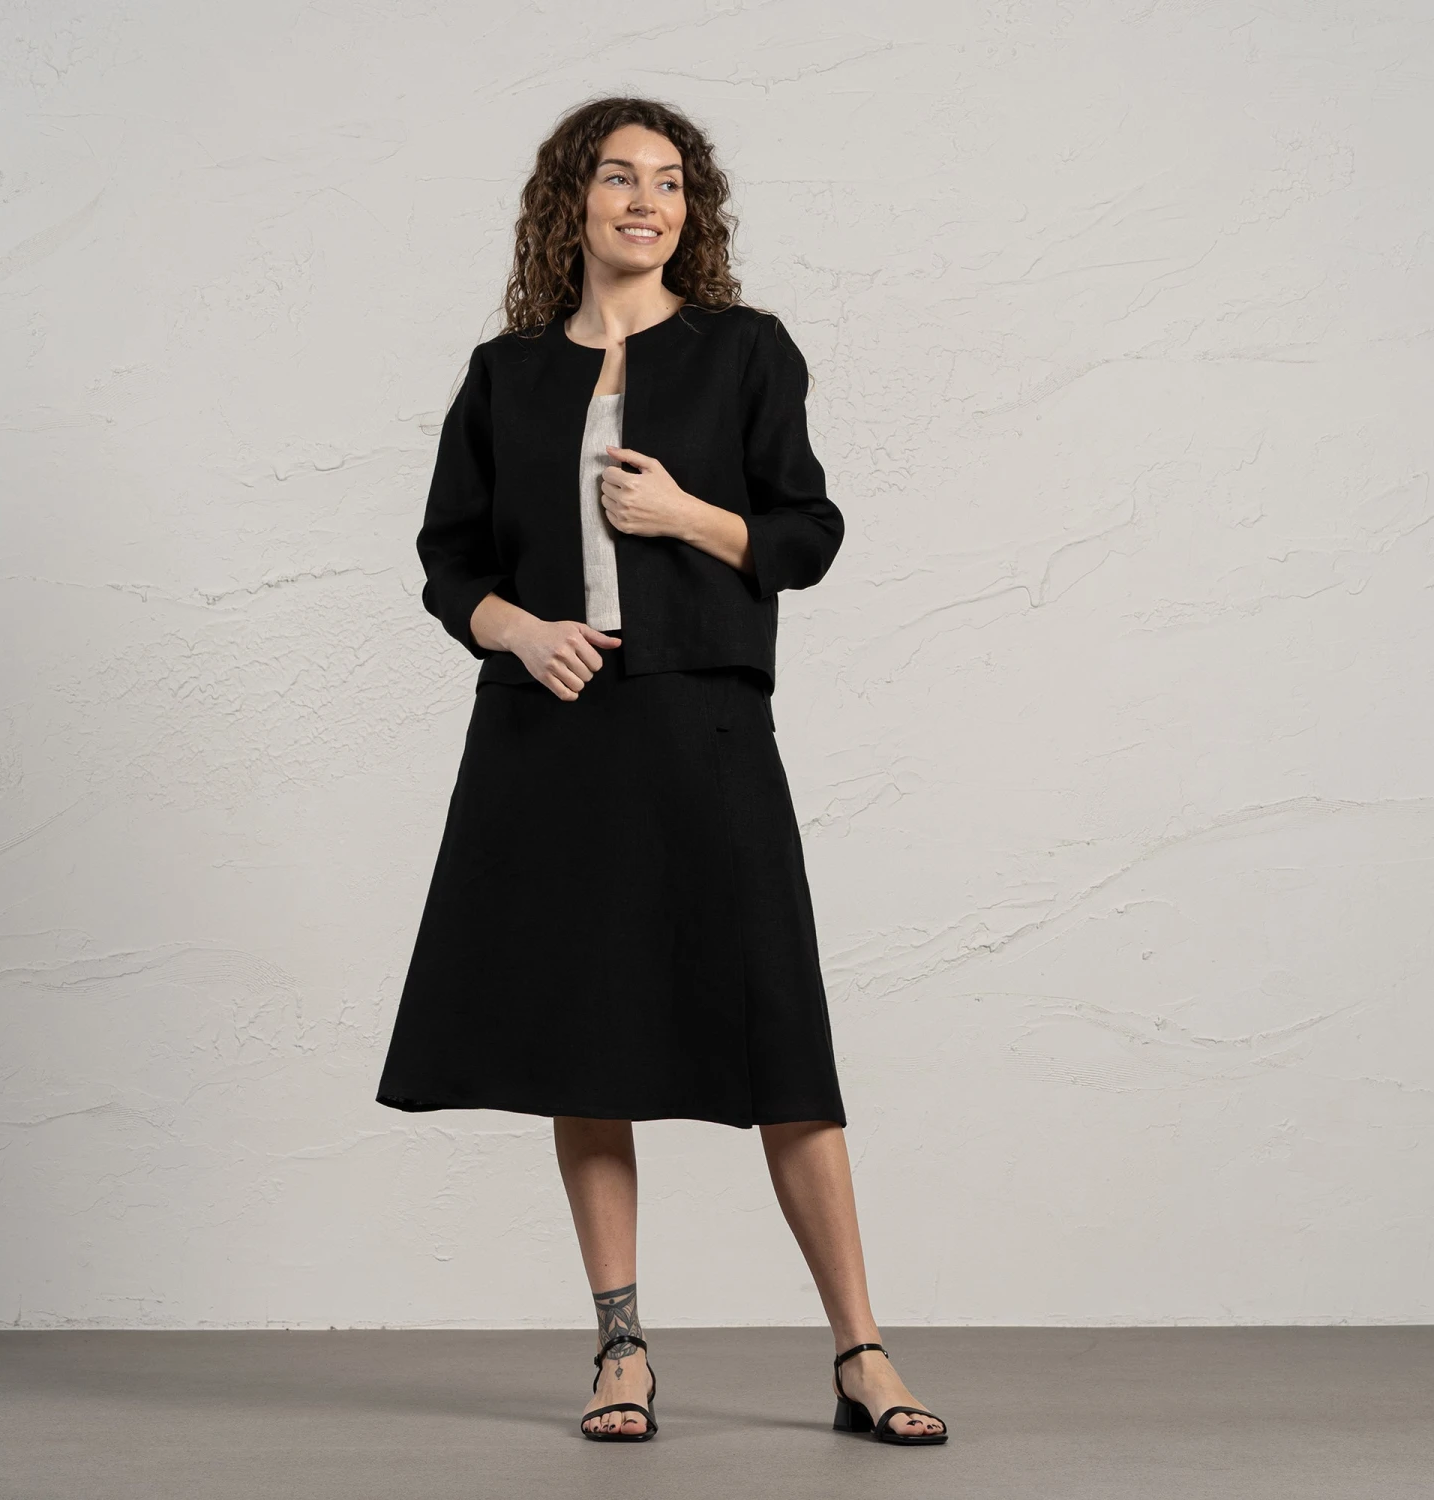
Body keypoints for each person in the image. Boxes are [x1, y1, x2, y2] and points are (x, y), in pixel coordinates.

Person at [376, 95, 947, 1449]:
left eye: (672, 182)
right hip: (551, 738)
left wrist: (687, 514)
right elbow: (449, 562)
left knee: (781, 1040)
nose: (648, 201)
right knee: (588, 1046)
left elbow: (808, 532)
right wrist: (522, 633)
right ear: (570, 201)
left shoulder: (744, 351)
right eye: (620, 177)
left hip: (703, 727)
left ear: (694, 211)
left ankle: (861, 1353)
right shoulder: (505, 374)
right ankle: (621, 1349)